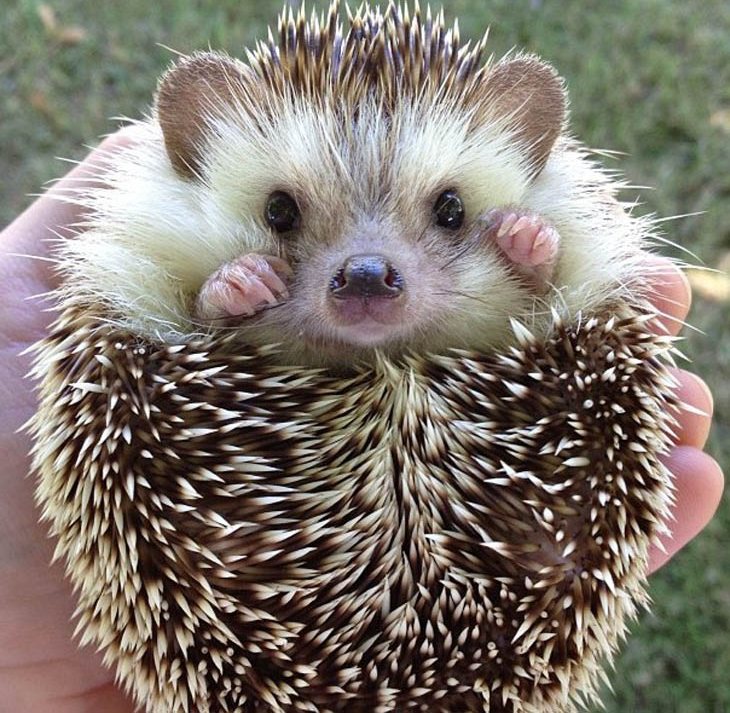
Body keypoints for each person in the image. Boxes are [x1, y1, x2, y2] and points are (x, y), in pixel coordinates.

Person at [0, 130, 723, 712]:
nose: (369, 269)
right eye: (285, 215)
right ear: (193, 149)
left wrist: (530, 279)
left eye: (445, 212)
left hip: (402, 531)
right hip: (252, 543)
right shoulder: (191, 266)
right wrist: (217, 309)